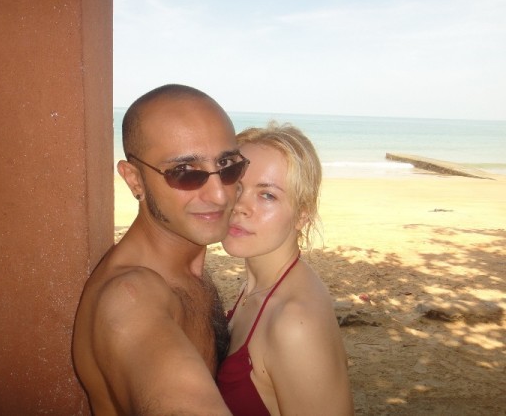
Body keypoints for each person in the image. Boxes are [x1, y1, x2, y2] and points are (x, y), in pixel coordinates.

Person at [72, 84, 249, 415]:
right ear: (134, 180)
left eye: (227, 164)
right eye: (185, 172)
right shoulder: (130, 298)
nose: (221, 195)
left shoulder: (184, 269)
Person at [217, 122, 354, 415]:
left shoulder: (294, 324)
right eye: (237, 187)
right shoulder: (256, 287)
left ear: (302, 215)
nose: (240, 206)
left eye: (267, 195)